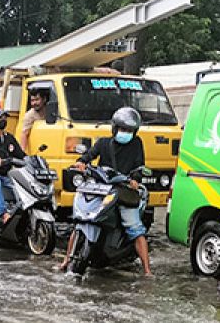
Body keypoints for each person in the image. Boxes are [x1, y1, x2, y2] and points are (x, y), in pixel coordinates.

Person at [59, 106, 153, 276]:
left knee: (135, 228)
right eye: (123, 129)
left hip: (123, 190)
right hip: (102, 189)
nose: (125, 133)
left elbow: (140, 166)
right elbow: (89, 155)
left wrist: (135, 180)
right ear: (115, 128)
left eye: (129, 130)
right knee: (81, 220)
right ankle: (66, 259)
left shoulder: (136, 144)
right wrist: (81, 162)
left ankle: (147, 270)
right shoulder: (103, 143)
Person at [19, 87, 49, 154]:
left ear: (44, 99)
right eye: (32, 100)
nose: (34, 103)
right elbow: (24, 133)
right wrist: (22, 152)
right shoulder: (29, 115)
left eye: (37, 100)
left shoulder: (50, 111)